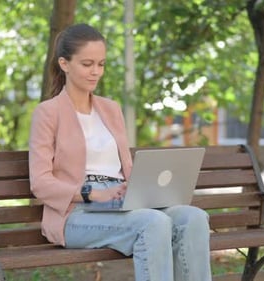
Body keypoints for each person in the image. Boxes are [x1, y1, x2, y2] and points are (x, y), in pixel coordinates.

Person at [29, 23, 212, 281]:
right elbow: (40, 183)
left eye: (101, 64)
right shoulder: (48, 113)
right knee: (153, 223)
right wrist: (94, 194)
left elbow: (123, 166)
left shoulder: (110, 109)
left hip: (124, 203)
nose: (96, 72)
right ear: (64, 64)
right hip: (75, 214)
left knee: (192, 217)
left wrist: (141, 188)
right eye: (87, 64)